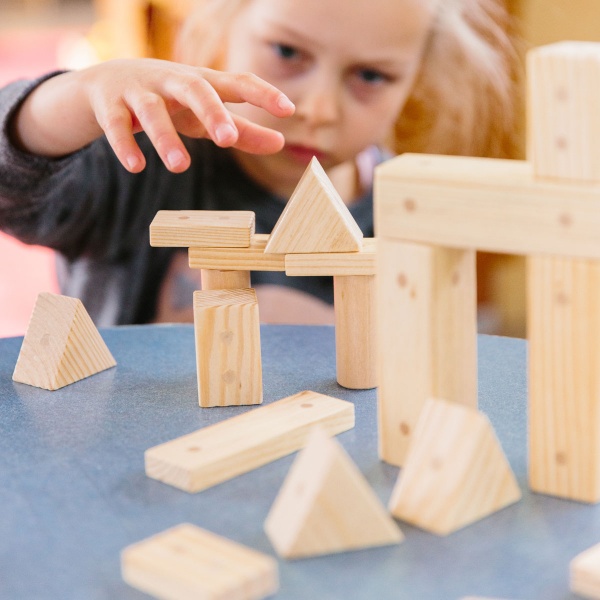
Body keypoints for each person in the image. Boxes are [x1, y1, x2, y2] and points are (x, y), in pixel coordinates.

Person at [0, 0, 520, 327]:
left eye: (371, 76)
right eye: (288, 52)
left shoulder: (412, 215)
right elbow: (10, 187)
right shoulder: (144, 162)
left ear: (416, 81)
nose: (319, 108)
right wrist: (77, 94)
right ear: (223, 33)